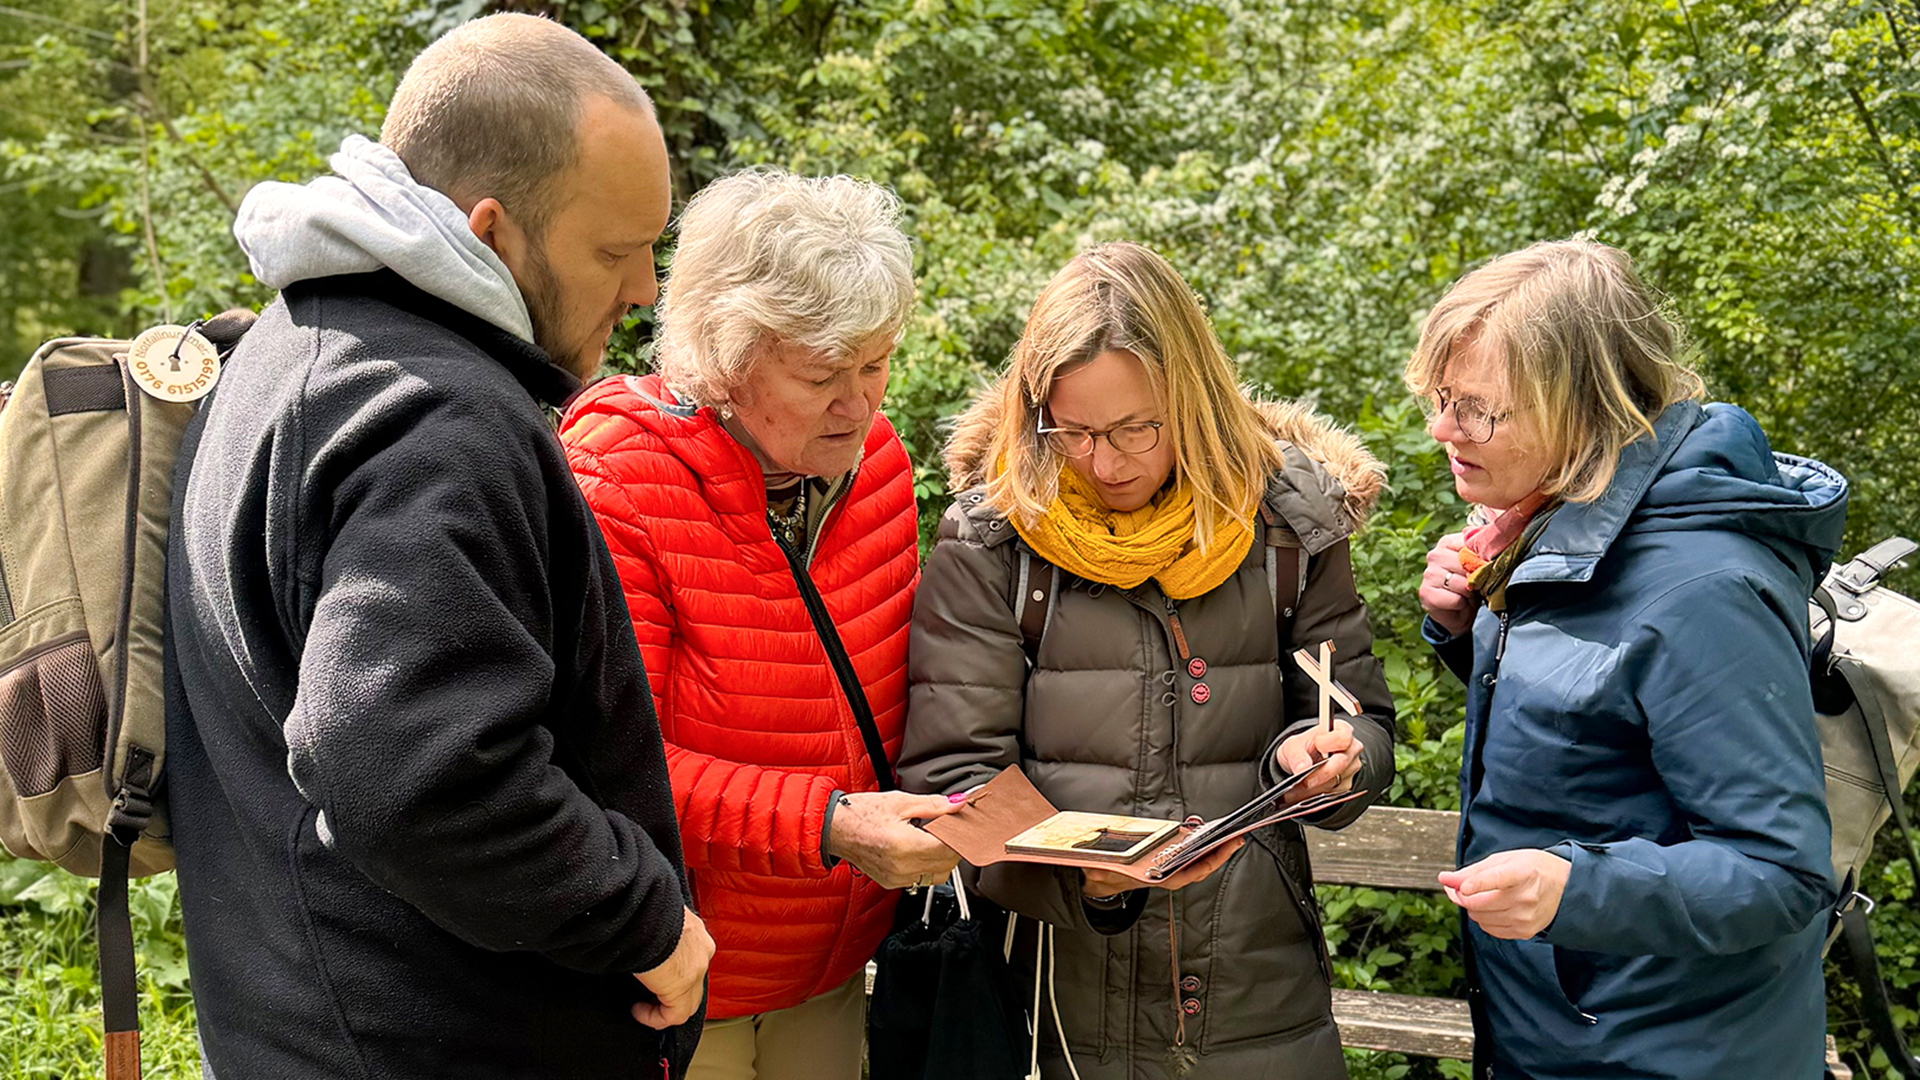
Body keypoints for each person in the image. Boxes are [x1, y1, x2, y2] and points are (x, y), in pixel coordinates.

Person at [165, 15, 710, 1079]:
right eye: (616, 250)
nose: (644, 287)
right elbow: (409, 772)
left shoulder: (290, 351)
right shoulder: (438, 420)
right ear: (494, 229)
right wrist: (645, 919)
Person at [898, 241, 1397, 1079]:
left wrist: (1333, 763)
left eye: (1137, 427)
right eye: (1076, 432)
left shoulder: (1286, 529)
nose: (1106, 461)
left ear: (1192, 399)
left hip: (1259, 996)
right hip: (1052, 1007)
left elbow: (1362, 721)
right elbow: (955, 778)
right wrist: (1088, 883)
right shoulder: (992, 543)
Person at [559, 168, 962, 1080]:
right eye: (822, 374)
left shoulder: (878, 462)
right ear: (725, 356)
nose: (859, 405)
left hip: (834, 959)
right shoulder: (615, 484)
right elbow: (608, 766)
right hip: (678, 975)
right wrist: (831, 825)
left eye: (876, 361)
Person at [1412, 239, 1847, 1079]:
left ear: (1583, 406)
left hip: (1671, 1052)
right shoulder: (1559, 517)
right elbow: (1596, 726)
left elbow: (1781, 872)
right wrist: (1467, 627)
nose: (1444, 430)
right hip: (1559, 1033)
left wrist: (1574, 890)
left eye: (1479, 409)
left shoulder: (1702, 589)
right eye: (1440, 398)